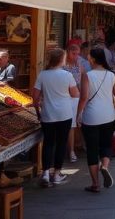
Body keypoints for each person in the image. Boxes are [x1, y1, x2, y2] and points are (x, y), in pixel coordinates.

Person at [31, 48, 79, 188]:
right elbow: (75, 93)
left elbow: (35, 97)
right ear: (61, 60)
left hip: (48, 114)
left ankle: (45, 172)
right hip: (64, 113)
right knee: (61, 144)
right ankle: (57, 173)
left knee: (48, 143)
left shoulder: (43, 75)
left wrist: (38, 109)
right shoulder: (67, 75)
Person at [78, 47, 115, 193]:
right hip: (109, 116)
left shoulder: (88, 75)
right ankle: (105, 166)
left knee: (92, 150)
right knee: (106, 145)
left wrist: (78, 114)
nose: (88, 59)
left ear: (93, 59)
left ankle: (95, 184)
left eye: (89, 57)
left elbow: (83, 98)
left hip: (91, 117)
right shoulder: (111, 75)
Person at [63, 42, 90, 164]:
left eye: (78, 54)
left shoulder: (79, 65)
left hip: (76, 98)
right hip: (65, 98)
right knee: (70, 126)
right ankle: (70, 150)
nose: (76, 56)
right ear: (68, 52)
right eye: (74, 53)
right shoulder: (62, 66)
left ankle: (76, 148)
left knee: (75, 124)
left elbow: (81, 81)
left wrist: (83, 97)